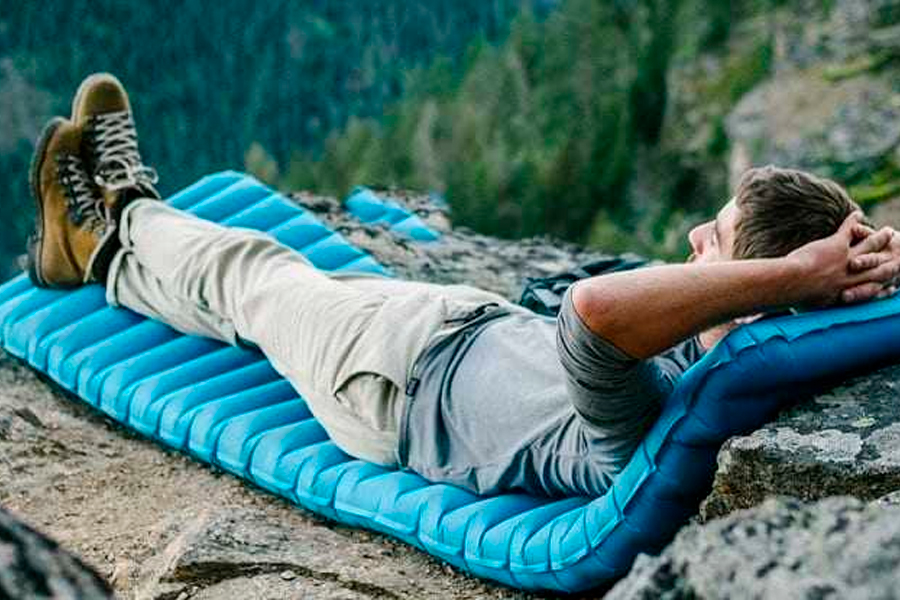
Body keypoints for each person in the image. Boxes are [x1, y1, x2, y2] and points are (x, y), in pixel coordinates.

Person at [26, 73, 900, 498]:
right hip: (444, 332)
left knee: (253, 275)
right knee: (252, 290)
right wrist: (843, 266)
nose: (691, 238)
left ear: (751, 291)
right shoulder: (706, 347)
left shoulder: (659, 404)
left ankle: (116, 220)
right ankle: (101, 251)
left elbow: (591, 315)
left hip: (387, 384)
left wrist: (790, 271)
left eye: (714, 241)